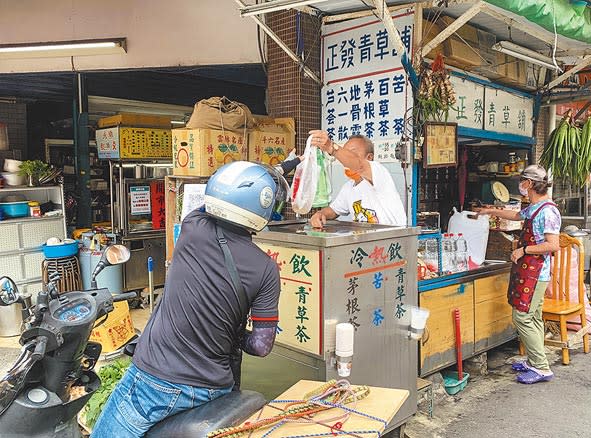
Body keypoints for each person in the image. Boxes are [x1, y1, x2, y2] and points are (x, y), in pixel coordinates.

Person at [91, 161, 287, 437]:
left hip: (155, 381)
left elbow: (214, 198)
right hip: (215, 387)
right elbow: (261, 345)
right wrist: (231, 333)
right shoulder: (266, 269)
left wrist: (275, 169)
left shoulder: (193, 226)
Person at [476, 165, 561, 384]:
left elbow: (553, 245)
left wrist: (523, 250)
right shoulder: (534, 207)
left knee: (522, 316)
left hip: (537, 273)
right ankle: (535, 360)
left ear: (530, 184)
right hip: (529, 271)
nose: (520, 185)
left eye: (522, 181)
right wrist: (491, 211)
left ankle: (541, 367)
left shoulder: (548, 211)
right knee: (533, 316)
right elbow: (515, 214)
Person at [307, 130, 406, 228]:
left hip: (391, 239)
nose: (346, 160)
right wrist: (320, 214)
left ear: (369, 157)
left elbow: (359, 165)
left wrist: (331, 147)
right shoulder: (349, 187)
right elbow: (333, 210)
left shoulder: (379, 172)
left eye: (352, 154)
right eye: (345, 154)